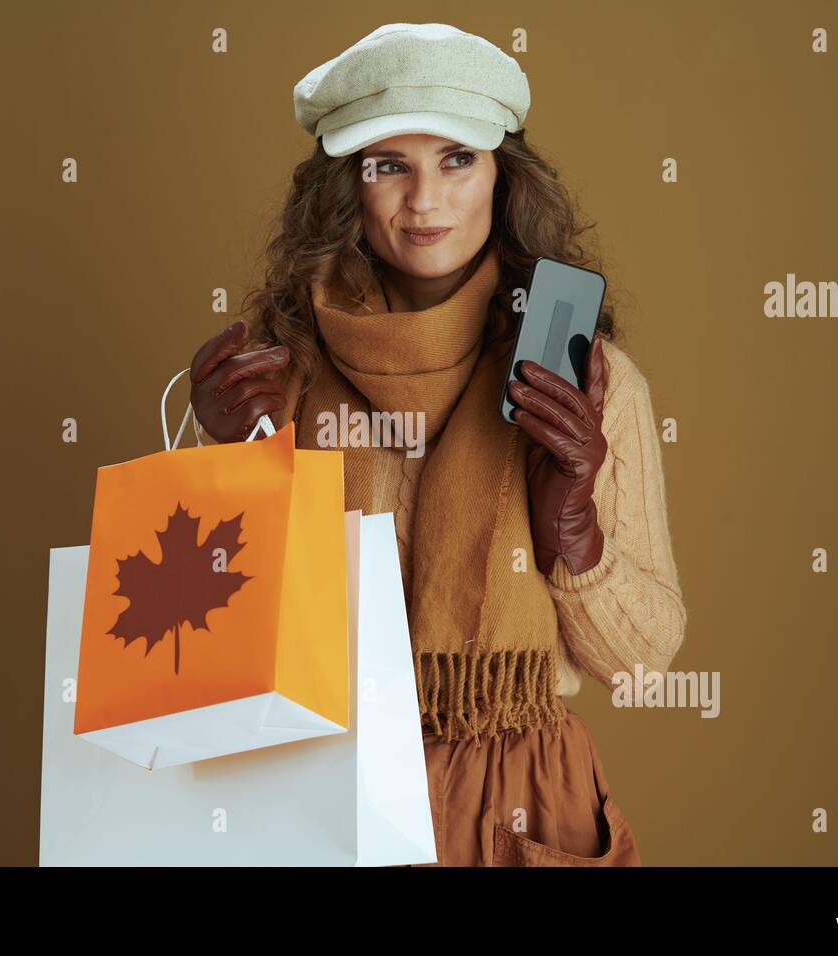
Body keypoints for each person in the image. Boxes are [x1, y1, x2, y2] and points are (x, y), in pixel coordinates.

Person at [185, 23, 686, 866]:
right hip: (322, 788)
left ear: (503, 176)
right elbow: (202, 649)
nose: (425, 202)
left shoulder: (589, 385)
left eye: (458, 159)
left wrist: (572, 534)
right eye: (390, 165)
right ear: (347, 189)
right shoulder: (278, 377)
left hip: (523, 799)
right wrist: (230, 471)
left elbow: (642, 660)